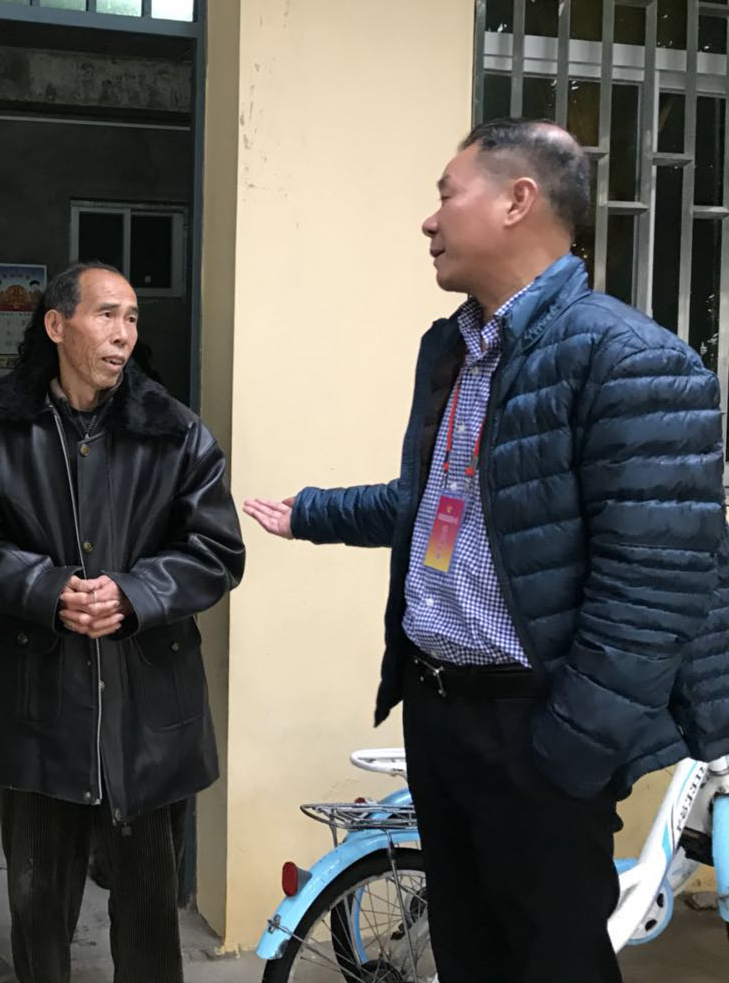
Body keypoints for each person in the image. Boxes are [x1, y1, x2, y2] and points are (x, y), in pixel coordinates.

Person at [244, 118, 729, 983]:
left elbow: (655, 590)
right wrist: (311, 512)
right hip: (441, 714)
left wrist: (568, 752)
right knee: (467, 957)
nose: (428, 220)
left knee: (551, 962)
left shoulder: (630, 361)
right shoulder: (459, 350)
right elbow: (443, 506)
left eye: (446, 195)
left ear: (517, 201)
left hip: (536, 731)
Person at [0, 262, 244, 983]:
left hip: (148, 710)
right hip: (41, 709)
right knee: (38, 908)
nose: (124, 334)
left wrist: (134, 594)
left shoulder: (175, 431)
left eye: (132, 318)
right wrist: (47, 589)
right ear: (56, 324)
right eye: (107, 315)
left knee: (149, 916)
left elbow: (217, 551)